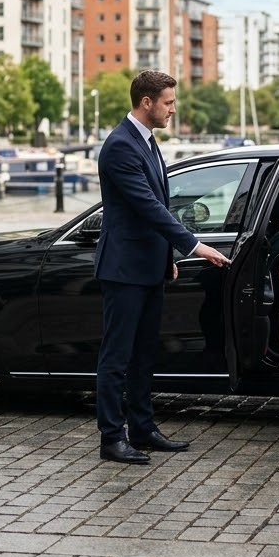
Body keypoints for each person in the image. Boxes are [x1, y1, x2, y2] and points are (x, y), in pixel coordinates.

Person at [94, 70, 231, 465]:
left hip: (149, 266)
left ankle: (142, 427)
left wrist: (166, 257)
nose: (173, 109)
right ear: (147, 102)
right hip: (123, 270)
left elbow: (156, 206)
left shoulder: (147, 142)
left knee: (143, 354)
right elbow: (147, 207)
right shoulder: (120, 146)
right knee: (116, 357)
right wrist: (193, 245)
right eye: (168, 102)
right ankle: (110, 438)